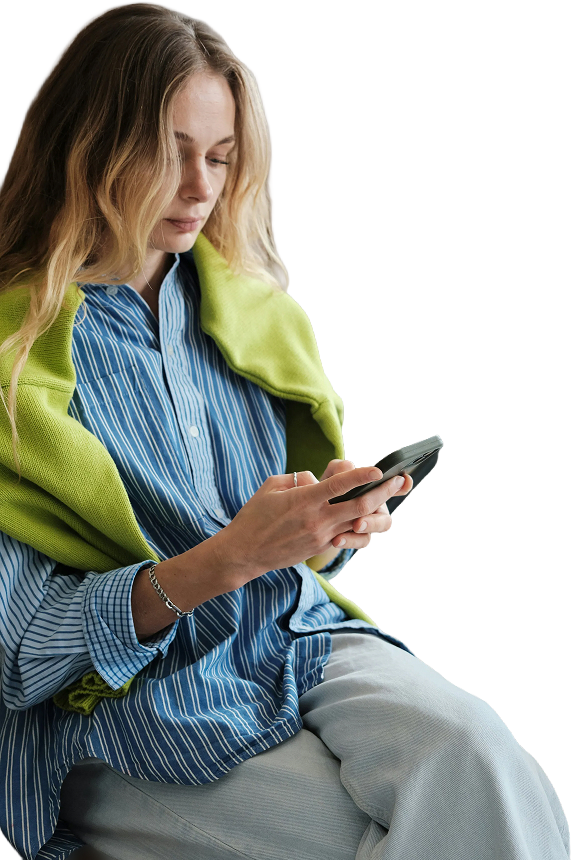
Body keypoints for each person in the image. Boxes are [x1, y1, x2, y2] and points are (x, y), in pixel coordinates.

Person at [0, 5, 568, 860]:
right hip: (124, 706)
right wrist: (227, 558)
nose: (200, 189)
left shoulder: (254, 316)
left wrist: (325, 529)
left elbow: (294, 559)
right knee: (367, 839)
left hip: (290, 635)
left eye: (221, 159)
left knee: (481, 762)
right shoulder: (15, 363)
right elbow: (20, 652)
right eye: (169, 152)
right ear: (91, 149)